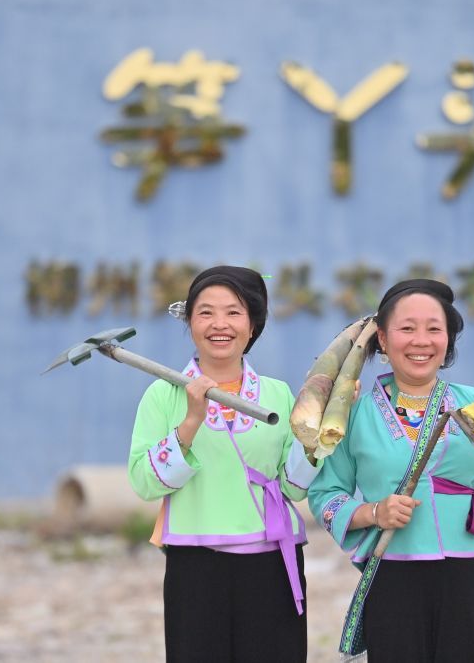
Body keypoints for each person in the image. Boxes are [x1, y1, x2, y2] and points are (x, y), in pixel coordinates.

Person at [308, 279, 474, 662]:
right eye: (407, 328)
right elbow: (325, 495)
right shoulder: (352, 415)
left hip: (470, 572)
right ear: (383, 338)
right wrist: (375, 512)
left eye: (434, 329)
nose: (421, 341)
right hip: (392, 571)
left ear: (448, 339)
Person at [128, 266, 319, 662]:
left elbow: (294, 487)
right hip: (196, 564)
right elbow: (144, 483)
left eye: (233, 312)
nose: (219, 324)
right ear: (190, 322)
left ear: (253, 325)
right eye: (206, 312)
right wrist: (190, 423)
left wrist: (318, 436)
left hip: (271, 560)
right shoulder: (162, 395)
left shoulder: (278, 394)